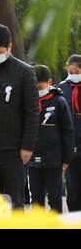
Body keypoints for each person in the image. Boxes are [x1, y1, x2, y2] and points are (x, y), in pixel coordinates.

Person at [0, 22, 39, 209]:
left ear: (9, 47)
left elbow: (32, 112)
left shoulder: (24, 72)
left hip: (14, 150)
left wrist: (27, 146)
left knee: (15, 202)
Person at [28, 65, 75, 213]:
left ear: (49, 82)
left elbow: (68, 131)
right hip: (32, 160)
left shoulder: (59, 102)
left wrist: (67, 159)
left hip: (53, 160)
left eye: (39, 86)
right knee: (36, 199)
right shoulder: (28, 101)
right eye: (33, 87)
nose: (36, 90)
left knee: (55, 199)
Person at [59, 54, 81, 212]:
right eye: (70, 71)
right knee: (72, 188)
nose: (73, 74)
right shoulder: (61, 89)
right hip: (69, 145)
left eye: (77, 71)